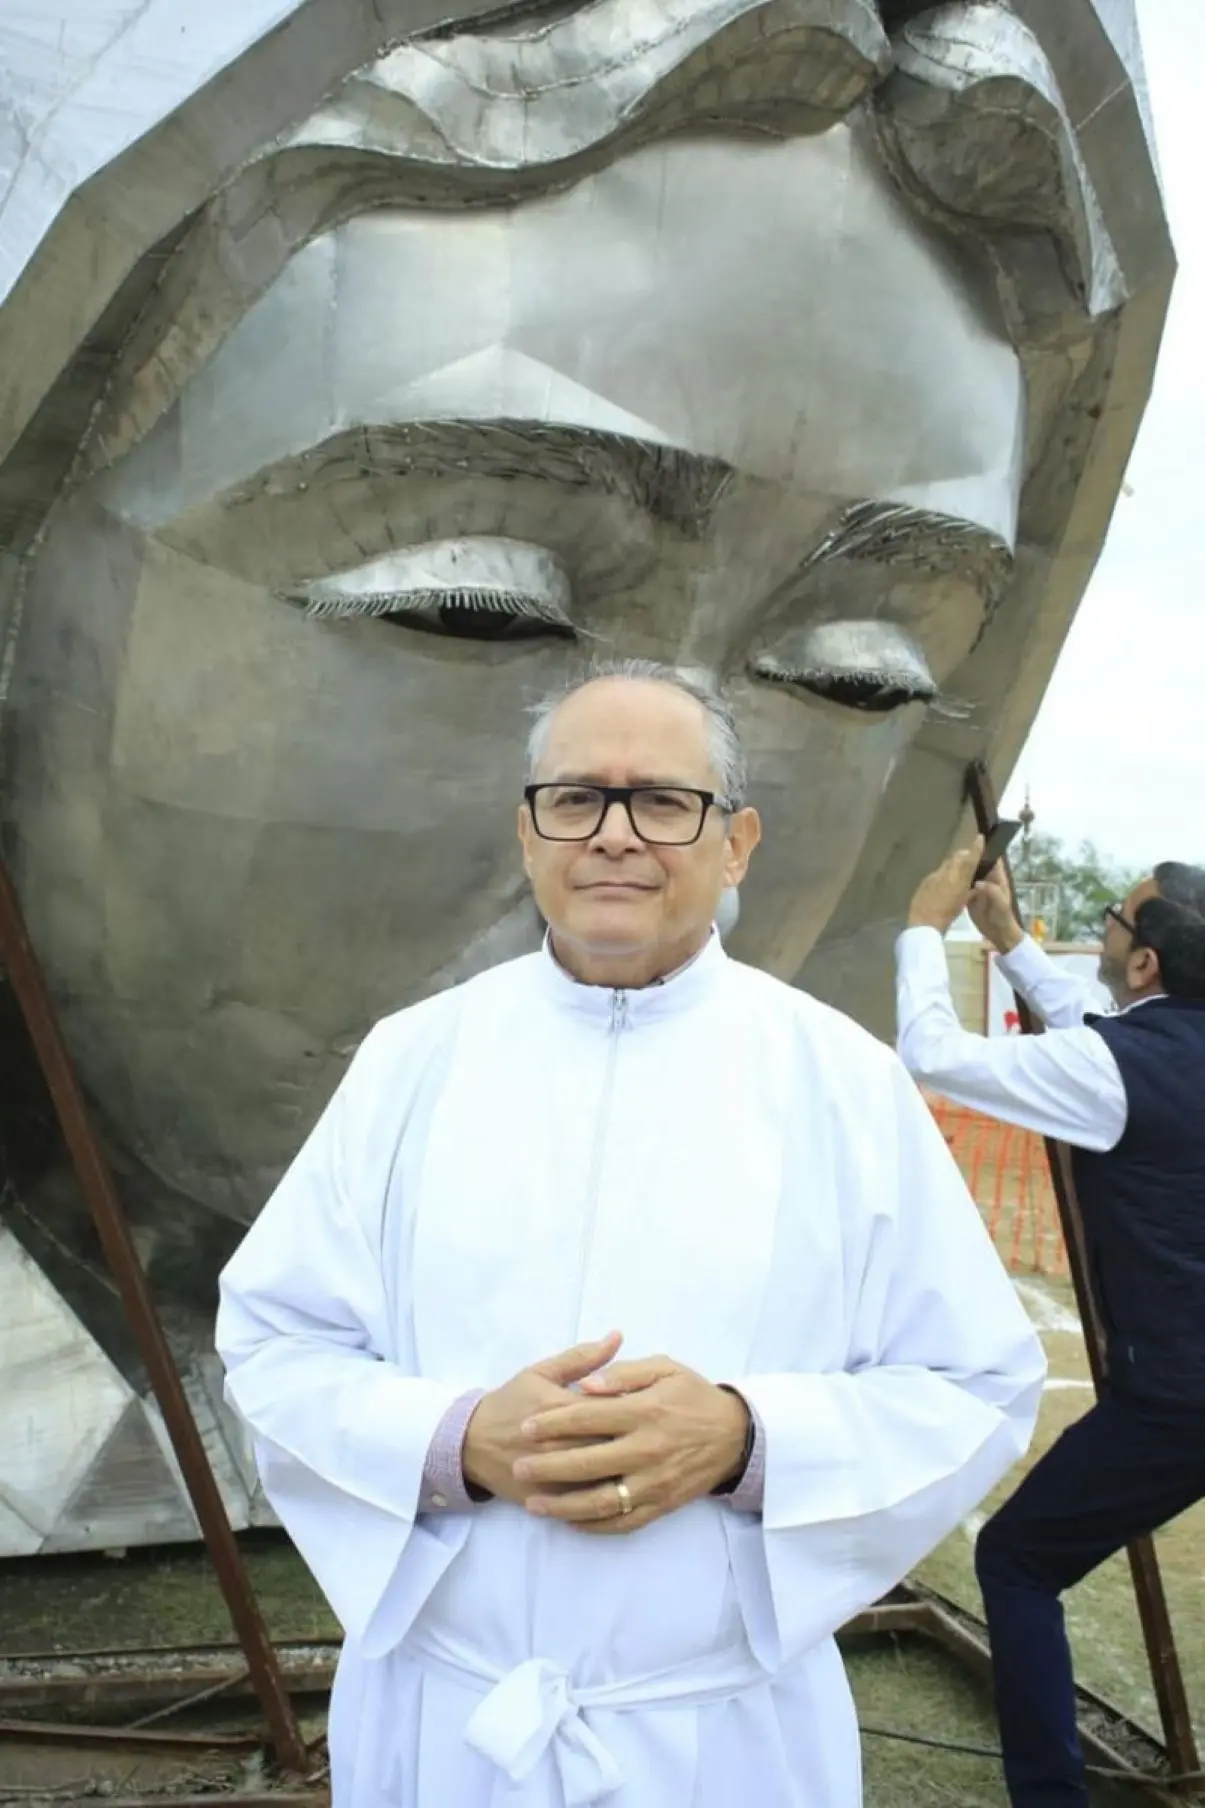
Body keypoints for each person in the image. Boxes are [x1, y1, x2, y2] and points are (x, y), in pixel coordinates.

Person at [216, 665, 1044, 1808]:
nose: (613, 835)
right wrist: (455, 1438)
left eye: (662, 801)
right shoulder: (413, 1058)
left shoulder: (840, 1079)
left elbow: (973, 1381)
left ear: (736, 841)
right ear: (526, 831)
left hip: (721, 1738)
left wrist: (744, 1436)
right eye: (574, 797)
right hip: (447, 1725)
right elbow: (272, 1341)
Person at [897, 841, 1205, 1807]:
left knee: (1018, 1561)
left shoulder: (1128, 1066)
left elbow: (933, 1054)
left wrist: (921, 929)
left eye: (1114, 918)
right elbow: (1105, 1043)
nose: (1106, 930)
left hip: (1179, 1399)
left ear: (1145, 960)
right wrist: (1007, 943)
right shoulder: (1154, 1048)